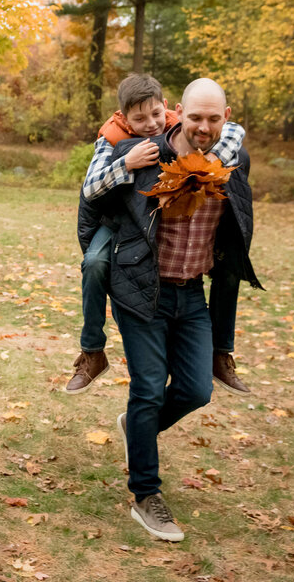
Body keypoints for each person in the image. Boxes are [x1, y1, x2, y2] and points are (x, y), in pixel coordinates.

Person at [95, 78, 262, 542]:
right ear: (177, 114)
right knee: (149, 387)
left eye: (213, 118)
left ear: (226, 117)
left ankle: (136, 428)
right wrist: (98, 262)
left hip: (191, 295)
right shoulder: (146, 154)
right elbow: (97, 202)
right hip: (141, 289)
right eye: (195, 117)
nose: (203, 127)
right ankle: (146, 495)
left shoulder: (234, 160)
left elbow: (238, 224)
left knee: (195, 390)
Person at [66, 74, 248, 396]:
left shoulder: (182, 124)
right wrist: (125, 163)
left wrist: (215, 160)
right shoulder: (112, 138)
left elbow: (233, 131)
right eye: (139, 118)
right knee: (94, 263)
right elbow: (90, 189)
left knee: (231, 264)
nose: (151, 124)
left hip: (161, 239)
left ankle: (221, 353)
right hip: (118, 222)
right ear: (123, 118)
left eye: (156, 114)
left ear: (167, 107)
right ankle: (92, 351)